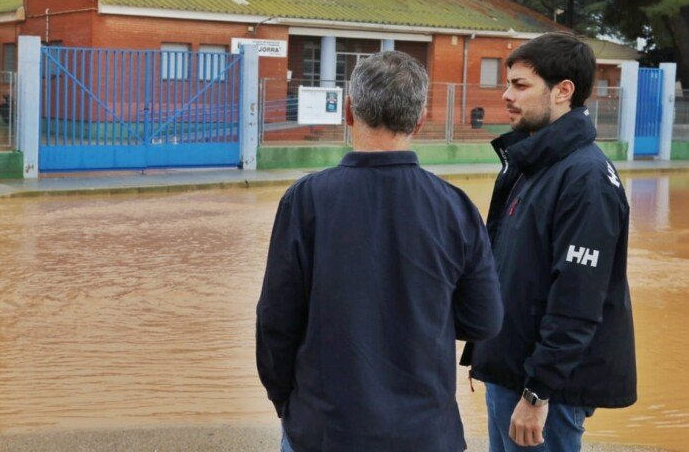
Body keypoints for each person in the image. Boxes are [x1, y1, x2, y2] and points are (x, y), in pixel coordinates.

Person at [256, 51, 504, 452]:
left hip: (325, 430)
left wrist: (287, 403)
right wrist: (422, 310)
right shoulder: (454, 207)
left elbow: (275, 322)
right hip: (426, 433)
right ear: (421, 120)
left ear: (349, 112)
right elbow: (484, 320)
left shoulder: (306, 201)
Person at [461, 33, 637, 451]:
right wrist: (488, 351)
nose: (506, 95)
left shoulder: (586, 178)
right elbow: (509, 270)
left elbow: (578, 299)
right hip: (512, 376)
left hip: (543, 395)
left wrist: (538, 391)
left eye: (520, 85)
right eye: (508, 84)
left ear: (563, 91)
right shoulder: (534, 163)